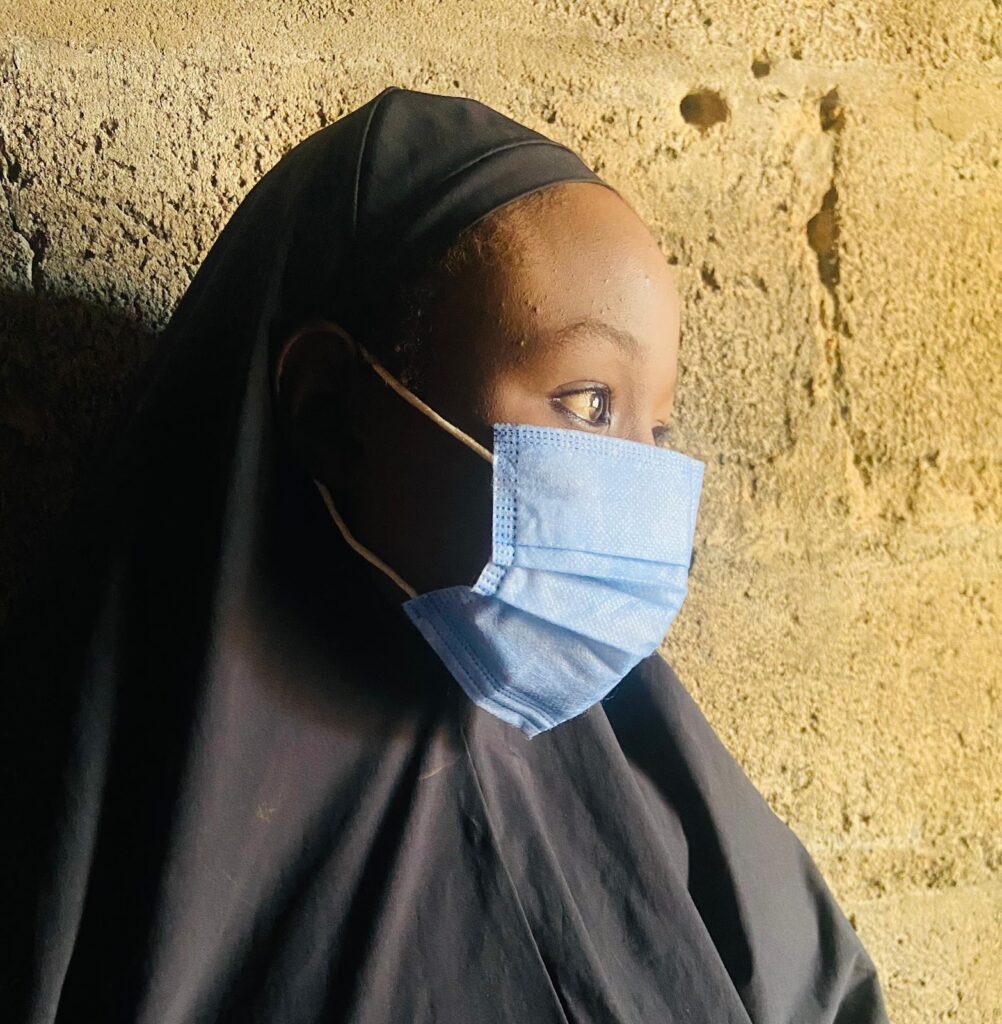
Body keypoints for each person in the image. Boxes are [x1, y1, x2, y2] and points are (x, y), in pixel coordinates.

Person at [0, 85, 889, 1023]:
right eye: (589, 402)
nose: (635, 479)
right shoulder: (94, 851)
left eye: (655, 425)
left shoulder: (642, 762)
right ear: (334, 413)